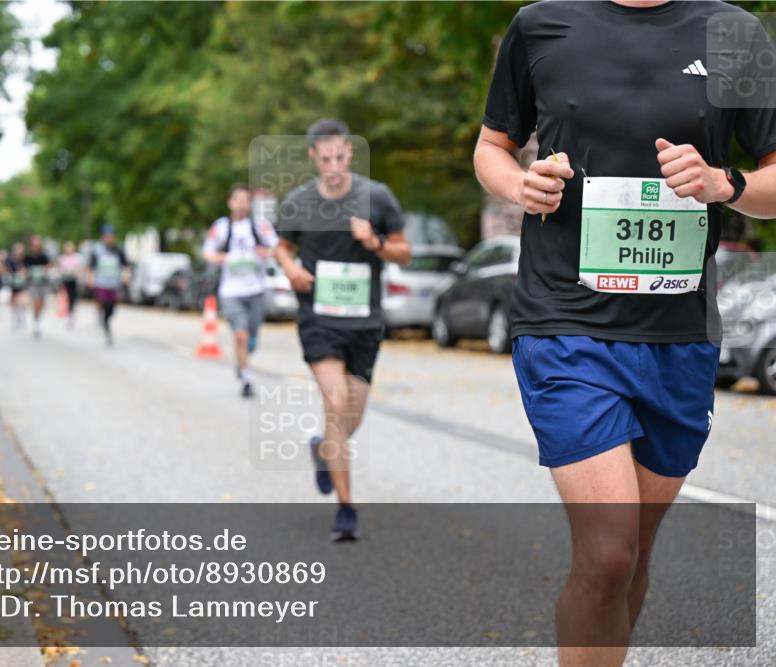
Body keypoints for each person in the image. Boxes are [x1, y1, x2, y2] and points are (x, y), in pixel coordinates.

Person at [474, 2, 776, 665]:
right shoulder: (542, 24)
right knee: (609, 552)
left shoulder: (734, 32)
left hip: (679, 334)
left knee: (632, 552)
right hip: (566, 322)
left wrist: (725, 182)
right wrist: (521, 185)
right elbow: (492, 147)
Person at [275, 119, 411, 540]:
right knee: (335, 403)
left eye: (340, 157)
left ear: (349, 152)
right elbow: (282, 247)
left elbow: (404, 252)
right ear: (313, 157)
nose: (333, 166)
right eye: (325, 159)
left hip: (364, 323)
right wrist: (291, 269)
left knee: (351, 416)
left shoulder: (377, 197)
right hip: (319, 321)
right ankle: (346, 508)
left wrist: (374, 242)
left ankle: (322, 448)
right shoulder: (298, 202)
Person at [202, 183, 279, 398]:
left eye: (246, 200)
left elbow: (277, 248)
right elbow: (207, 252)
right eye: (238, 199)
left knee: (251, 339)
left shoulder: (260, 226)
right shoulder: (222, 227)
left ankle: (242, 358)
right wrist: (223, 258)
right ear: (230, 202)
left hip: (256, 290)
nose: (242, 204)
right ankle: (246, 378)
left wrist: (265, 253)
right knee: (240, 335)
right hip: (231, 292)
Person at [88, 225, 128, 346]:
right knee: (104, 303)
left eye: (111, 236)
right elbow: (91, 266)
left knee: (111, 308)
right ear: (103, 237)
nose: (109, 239)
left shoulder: (118, 250)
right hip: (101, 283)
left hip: (114, 284)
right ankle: (106, 327)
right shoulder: (97, 250)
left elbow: (125, 266)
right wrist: (90, 278)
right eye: (106, 236)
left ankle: (105, 318)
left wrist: (126, 276)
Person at [24, 235, 51, 338]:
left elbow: (48, 266)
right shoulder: (28, 257)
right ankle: (36, 322)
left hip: (43, 282)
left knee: (42, 303)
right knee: (36, 302)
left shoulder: (44, 256)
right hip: (32, 283)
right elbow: (23, 269)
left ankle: (38, 318)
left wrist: (45, 270)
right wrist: (27, 273)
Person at [56, 240, 84, 328]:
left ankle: (71, 313)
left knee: (73, 297)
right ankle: (68, 313)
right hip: (65, 280)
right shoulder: (62, 258)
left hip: (74, 280)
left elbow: (79, 268)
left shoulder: (77, 257)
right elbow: (59, 269)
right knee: (66, 297)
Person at [5, 242, 28, 329]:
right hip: (13, 281)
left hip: (22, 282)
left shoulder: (25, 259)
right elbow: (6, 269)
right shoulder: (10, 259)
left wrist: (24, 273)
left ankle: (22, 315)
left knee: (23, 299)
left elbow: (27, 270)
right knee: (14, 299)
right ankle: (15, 317)